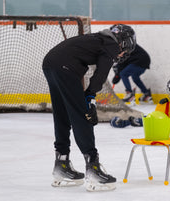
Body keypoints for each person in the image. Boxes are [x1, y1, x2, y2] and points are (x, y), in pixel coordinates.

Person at [42, 24, 136, 191]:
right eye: (124, 51)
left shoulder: (97, 39)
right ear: (123, 43)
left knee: (62, 114)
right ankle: (93, 168)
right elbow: (100, 74)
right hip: (65, 67)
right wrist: (90, 98)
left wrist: (89, 96)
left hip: (50, 63)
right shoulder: (111, 44)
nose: (121, 55)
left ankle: (61, 164)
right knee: (82, 116)